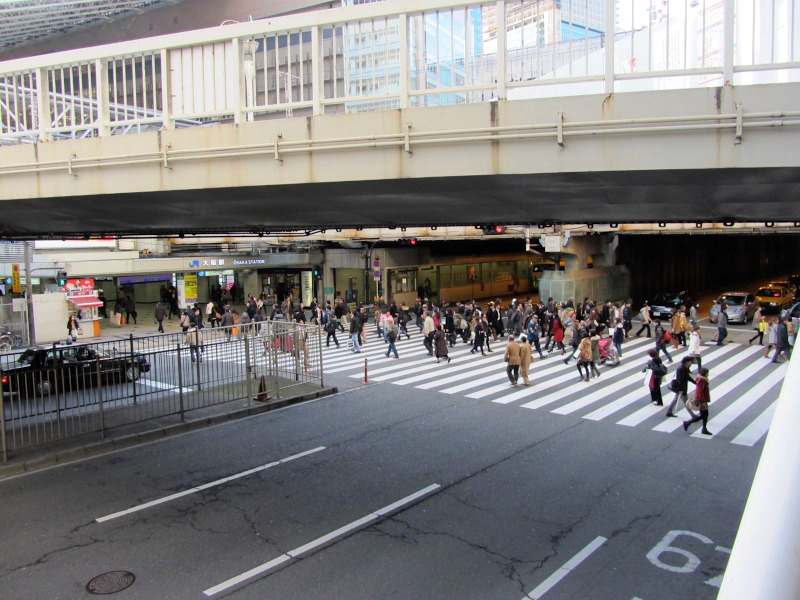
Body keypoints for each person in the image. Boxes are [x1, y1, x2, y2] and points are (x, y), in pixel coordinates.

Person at [683, 368, 712, 435]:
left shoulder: (702, 380)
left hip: (702, 400)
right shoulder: (701, 381)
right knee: (704, 415)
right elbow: (700, 391)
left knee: (704, 415)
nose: (708, 374)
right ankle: (688, 423)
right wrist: (703, 401)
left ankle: (703, 428)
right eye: (707, 373)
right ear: (704, 373)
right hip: (702, 401)